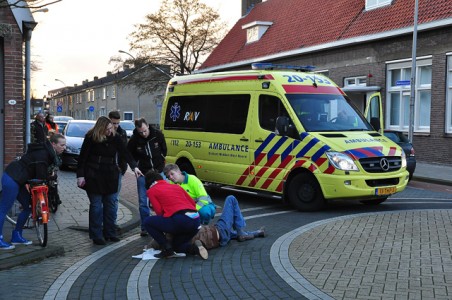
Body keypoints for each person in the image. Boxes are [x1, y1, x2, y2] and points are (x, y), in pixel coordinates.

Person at [77, 116, 143, 245]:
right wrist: (80, 175)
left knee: (111, 204)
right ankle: (96, 235)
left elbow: (125, 153)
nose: (110, 131)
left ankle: (110, 232)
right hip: (94, 174)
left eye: (111, 128)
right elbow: (82, 158)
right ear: (100, 129)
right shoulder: (91, 137)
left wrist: (134, 166)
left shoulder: (115, 137)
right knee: (96, 206)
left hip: (111, 174)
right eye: (107, 129)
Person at [0, 134, 67, 250]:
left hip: (19, 179)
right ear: (53, 144)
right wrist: (51, 177)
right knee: (3, 209)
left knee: (28, 207)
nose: (64, 147)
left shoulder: (47, 152)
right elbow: (40, 177)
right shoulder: (44, 155)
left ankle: (16, 235)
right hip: (12, 178)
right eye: (62, 145)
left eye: (65, 145)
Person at [147, 195, 265, 255]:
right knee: (231, 199)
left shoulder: (174, 239)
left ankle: (255, 233)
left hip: (219, 238)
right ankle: (241, 233)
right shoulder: (176, 227)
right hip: (218, 231)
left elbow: (154, 242)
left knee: (231, 233)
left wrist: (149, 247)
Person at [144, 170, 202, 259]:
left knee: (148, 222)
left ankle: (167, 249)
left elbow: (159, 212)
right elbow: (192, 204)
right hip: (196, 220)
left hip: (181, 220)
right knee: (177, 246)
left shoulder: (152, 191)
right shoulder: (176, 187)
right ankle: (194, 249)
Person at [127, 118, 167, 237]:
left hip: (158, 172)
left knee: (163, 199)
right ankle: (145, 227)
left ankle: (163, 224)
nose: (143, 134)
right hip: (143, 173)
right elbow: (129, 155)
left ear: (148, 126)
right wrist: (135, 167)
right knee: (143, 201)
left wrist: (160, 161)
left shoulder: (158, 135)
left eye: (145, 131)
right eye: (141, 132)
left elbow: (164, 150)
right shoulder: (134, 140)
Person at [108, 111, 128, 233]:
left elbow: (124, 151)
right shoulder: (105, 132)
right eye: (113, 123)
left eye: (117, 123)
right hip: (105, 170)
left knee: (115, 198)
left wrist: (123, 166)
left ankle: (113, 223)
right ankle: (105, 222)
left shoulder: (122, 133)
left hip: (118, 169)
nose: (115, 126)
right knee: (106, 198)